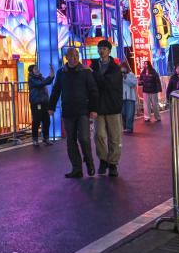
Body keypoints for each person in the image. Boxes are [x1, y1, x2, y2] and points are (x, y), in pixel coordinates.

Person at [48, 48, 99, 179]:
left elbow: (93, 91)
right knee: (71, 141)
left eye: (76, 55)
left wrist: (94, 109)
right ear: (66, 57)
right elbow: (56, 90)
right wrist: (51, 107)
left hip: (83, 111)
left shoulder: (86, 72)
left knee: (84, 139)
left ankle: (89, 162)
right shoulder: (61, 73)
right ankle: (76, 169)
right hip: (68, 111)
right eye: (72, 56)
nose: (75, 58)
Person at [90, 40, 123, 177]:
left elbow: (108, 83)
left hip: (112, 105)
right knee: (98, 135)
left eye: (104, 48)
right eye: (100, 48)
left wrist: (94, 75)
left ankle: (113, 163)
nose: (101, 51)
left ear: (109, 51)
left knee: (114, 137)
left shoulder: (115, 68)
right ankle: (103, 160)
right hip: (98, 106)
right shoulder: (93, 66)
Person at [27, 65, 55, 146]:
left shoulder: (41, 77)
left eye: (37, 68)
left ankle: (46, 138)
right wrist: (50, 77)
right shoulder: (31, 79)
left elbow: (47, 82)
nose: (37, 70)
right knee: (36, 121)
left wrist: (52, 76)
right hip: (36, 103)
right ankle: (35, 139)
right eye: (35, 69)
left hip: (44, 102)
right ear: (31, 71)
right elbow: (40, 84)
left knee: (47, 120)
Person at [120, 64, 137, 133]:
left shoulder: (131, 75)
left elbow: (133, 84)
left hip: (130, 97)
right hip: (122, 98)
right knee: (123, 113)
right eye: (122, 68)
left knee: (130, 114)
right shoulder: (118, 76)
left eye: (124, 68)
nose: (123, 69)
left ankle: (129, 128)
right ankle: (125, 127)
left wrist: (125, 78)